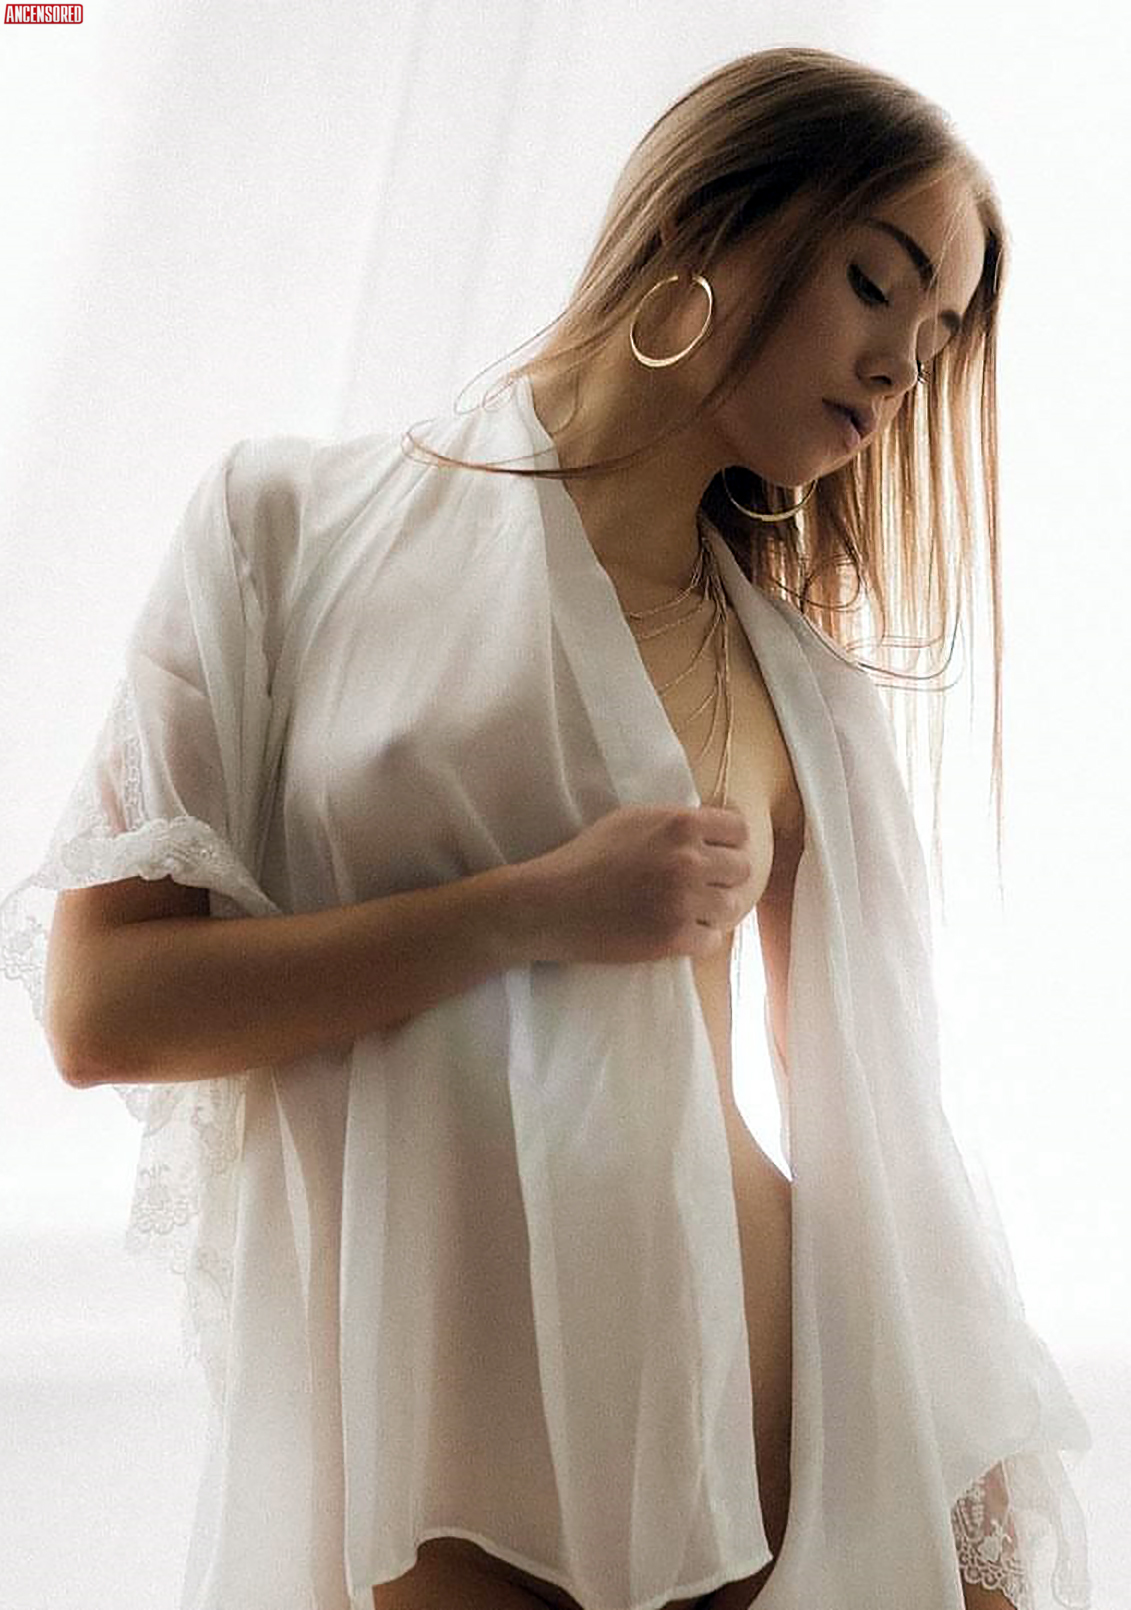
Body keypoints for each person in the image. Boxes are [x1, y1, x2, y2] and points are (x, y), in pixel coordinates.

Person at [0, 45, 1091, 1610]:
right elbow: (105, 1008)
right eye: (875, 285)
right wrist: (530, 907)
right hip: (427, 1417)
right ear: (712, 223)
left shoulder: (799, 691)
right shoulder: (284, 531)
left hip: (751, 1416)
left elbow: (883, 1137)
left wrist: (958, 1489)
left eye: (931, 346)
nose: (892, 372)